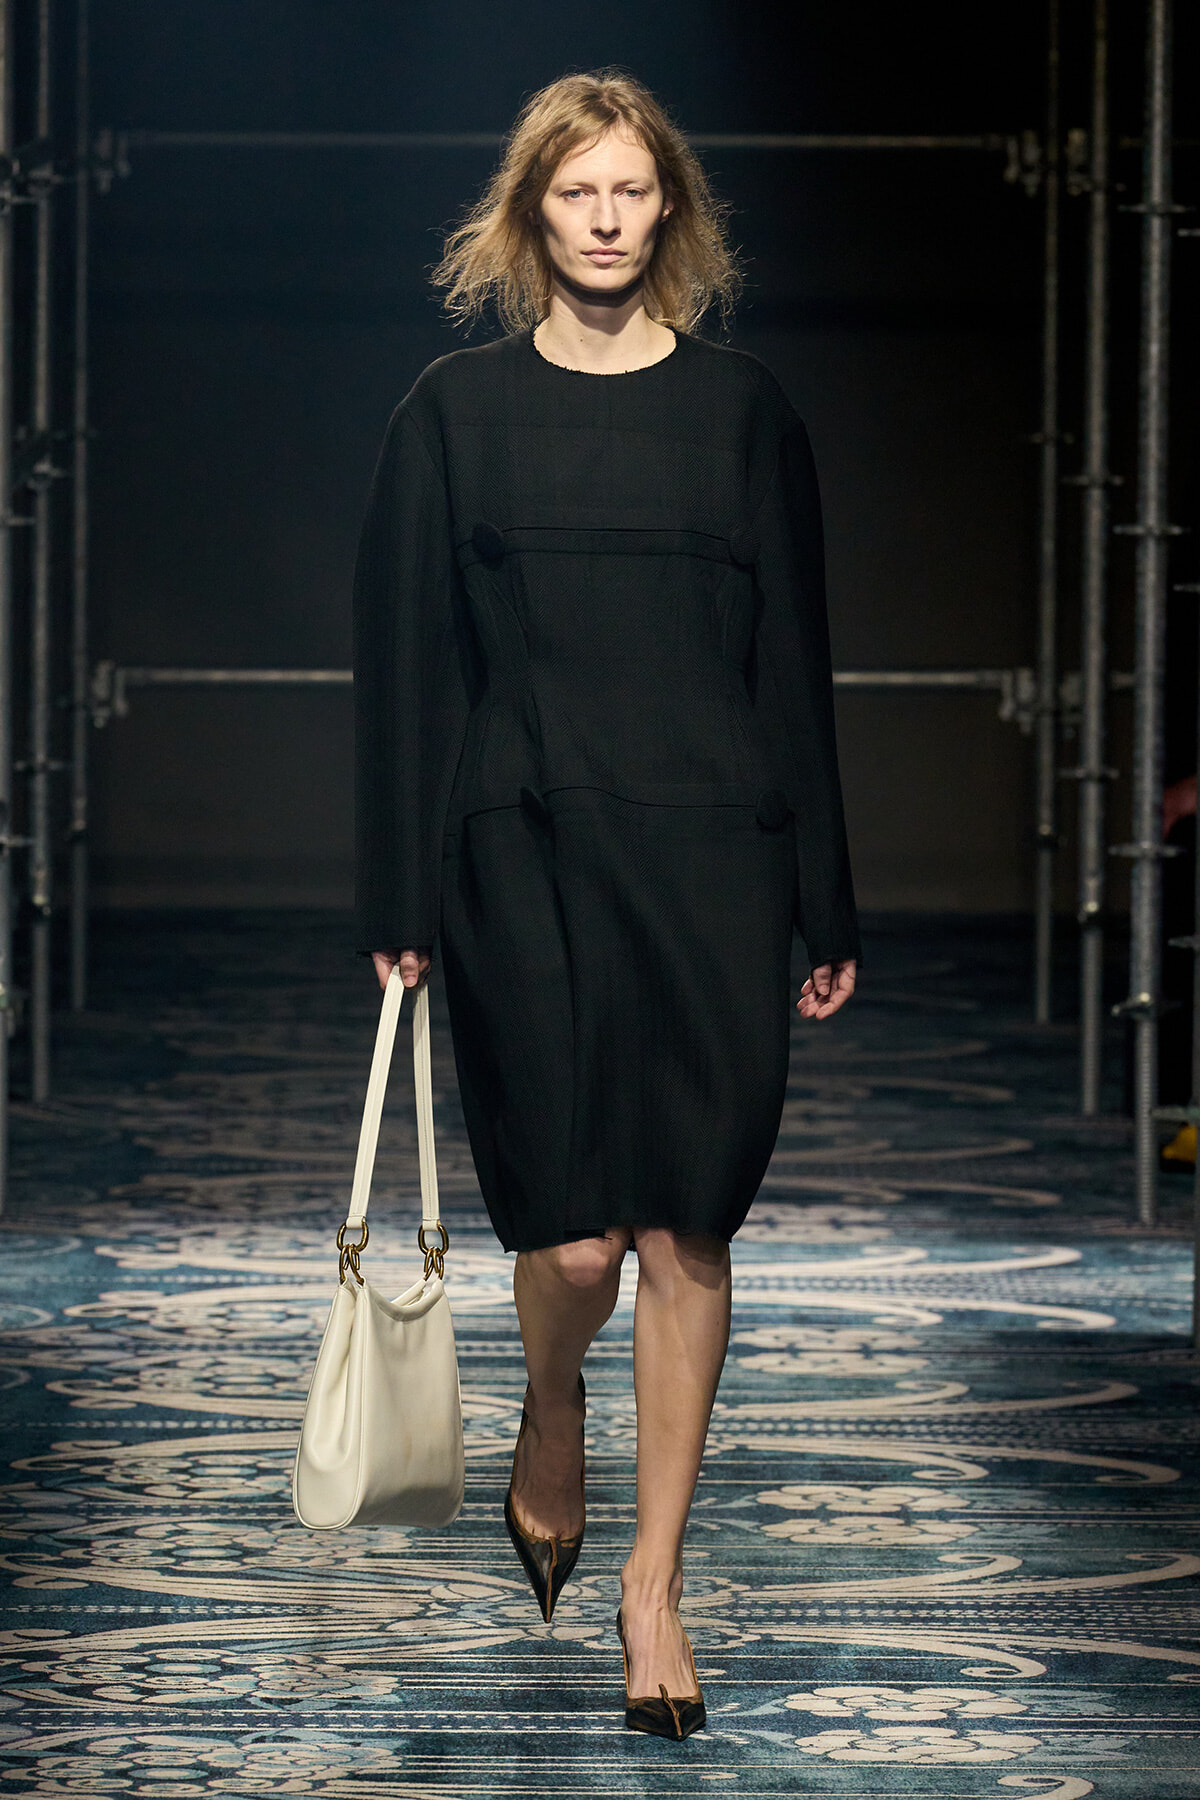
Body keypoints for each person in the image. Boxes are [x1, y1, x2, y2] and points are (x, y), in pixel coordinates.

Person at [353, 68, 859, 1740]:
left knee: (688, 1221)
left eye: (634, 190)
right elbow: (405, 668)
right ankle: (552, 1398)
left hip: (715, 850)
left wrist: (828, 896)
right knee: (574, 1238)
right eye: (577, 191)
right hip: (524, 846)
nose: (606, 219)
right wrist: (395, 890)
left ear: (672, 211)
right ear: (530, 213)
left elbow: (794, 664)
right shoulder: (453, 412)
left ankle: (655, 1584)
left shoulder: (744, 412)